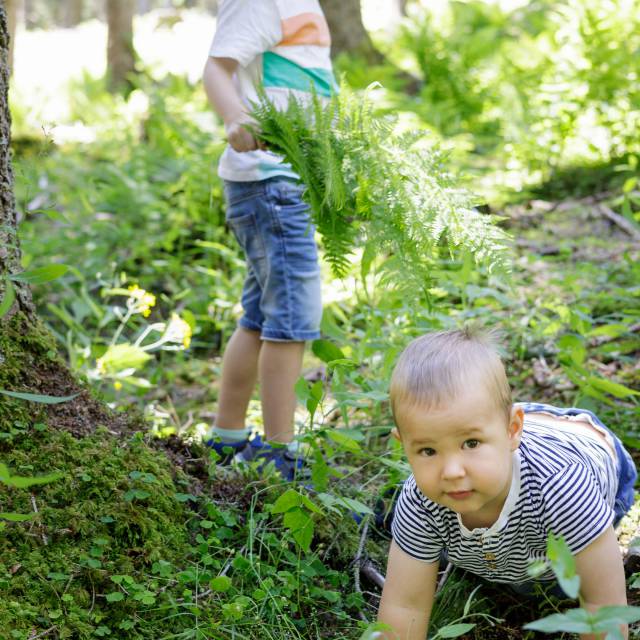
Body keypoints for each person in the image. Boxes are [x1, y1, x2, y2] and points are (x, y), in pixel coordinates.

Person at [377, 327, 636, 640]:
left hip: (590, 458)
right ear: (403, 444)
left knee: (555, 583)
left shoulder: (563, 489)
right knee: (434, 539)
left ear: (513, 430)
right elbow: (405, 608)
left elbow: (603, 607)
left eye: (471, 443)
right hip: (505, 457)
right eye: (428, 450)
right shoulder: (419, 502)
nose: (452, 471)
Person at [202, 0, 337, 479]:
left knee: (260, 315)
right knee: (295, 316)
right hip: (268, 182)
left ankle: (228, 435)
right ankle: (280, 452)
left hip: (287, 180)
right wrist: (236, 118)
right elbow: (216, 68)